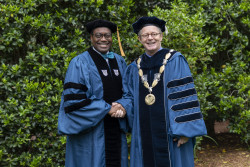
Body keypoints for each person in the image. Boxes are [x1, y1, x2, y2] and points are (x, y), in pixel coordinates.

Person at [116, 16, 207, 167]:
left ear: (161, 36)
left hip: (172, 133)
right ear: (139, 39)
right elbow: (129, 96)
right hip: (144, 134)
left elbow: (184, 96)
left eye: (154, 34)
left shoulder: (175, 60)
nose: (150, 38)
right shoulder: (134, 68)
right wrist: (121, 106)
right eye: (145, 35)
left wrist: (184, 131)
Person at [58, 19, 128, 167]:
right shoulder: (79, 62)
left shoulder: (120, 61)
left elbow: (130, 92)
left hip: (115, 129)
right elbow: (73, 101)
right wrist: (107, 109)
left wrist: (123, 106)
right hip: (92, 135)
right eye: (98, 35)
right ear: (91, 38)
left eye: (107, 35)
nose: (103, 39)